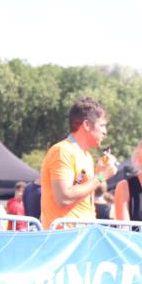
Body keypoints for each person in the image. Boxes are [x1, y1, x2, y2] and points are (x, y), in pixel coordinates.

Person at [40, 97, 118, 230]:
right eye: (102, 125)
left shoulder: (87, 156)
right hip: (64, 238)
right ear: (87, 125)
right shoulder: (62, 150)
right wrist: (100, 177)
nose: (105, 132)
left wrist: (98, 173)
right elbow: (64, 198)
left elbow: (78, 189)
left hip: (82, 236)